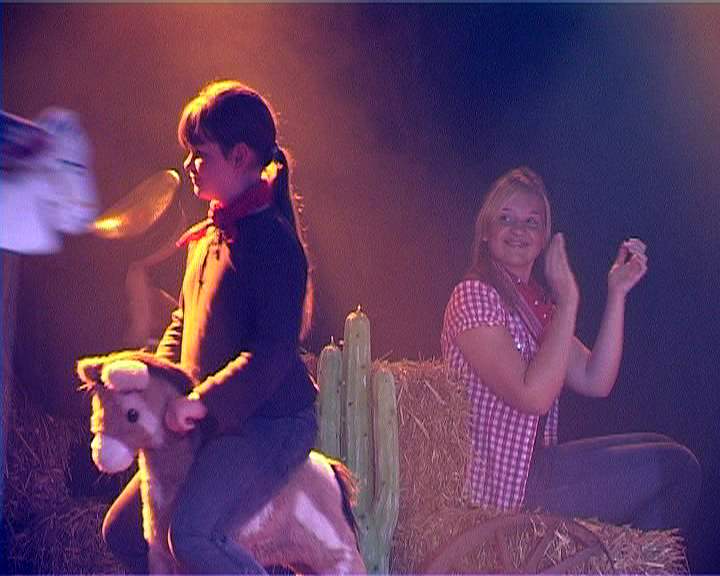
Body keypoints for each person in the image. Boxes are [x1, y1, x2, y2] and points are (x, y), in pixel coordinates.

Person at [101, 80, 318, 574]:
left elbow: (270, 355)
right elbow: (183, 322)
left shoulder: (272, 245)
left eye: (200, 154)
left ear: (240, 157)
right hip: (209, 420)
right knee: (124, 532)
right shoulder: (208, 238)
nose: (189, 165)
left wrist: (202, 401)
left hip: (267, 423)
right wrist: (156, 379)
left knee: (191, 535)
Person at [441, 166, 700, 531]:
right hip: (505, 488)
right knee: (674, 468)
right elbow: (532, 397)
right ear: (486, 231)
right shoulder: (474, 296)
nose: (519, 230)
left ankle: (633, 557)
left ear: (544, 237)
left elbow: (596, 379)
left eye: (531, 222)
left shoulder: (535, 307)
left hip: (538, 469)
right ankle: (629, 560)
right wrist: (568, 301)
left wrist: (617, 293)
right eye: (506, 218)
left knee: (666, 451)